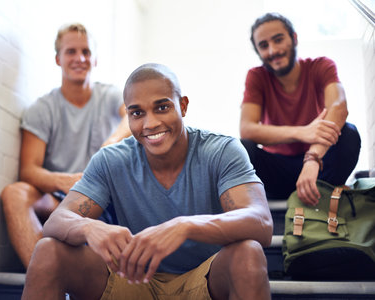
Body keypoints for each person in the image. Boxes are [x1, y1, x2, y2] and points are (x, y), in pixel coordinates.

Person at [21, 63, 273, 300]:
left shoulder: (222, 150)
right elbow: (56, 222)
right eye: (137, 113)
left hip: (204, 279)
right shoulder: (111, 160)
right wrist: (89, 228)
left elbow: (260, 222)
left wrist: (185, 226)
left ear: (183, 106)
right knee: (48, 251)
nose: (150, 123)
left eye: (162, 107)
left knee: (248, 253)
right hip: (132, 280)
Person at [0, 23, 130, 268]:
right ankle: (46, 276)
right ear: (58, 59)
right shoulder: (42, 109)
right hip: (59, 198)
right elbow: (28, 170)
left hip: (100, 199)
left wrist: (112, 141)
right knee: (14, 193)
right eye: (71, 52)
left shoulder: (111, 95)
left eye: (86, 52)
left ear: (95, 59)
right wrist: (65, 181)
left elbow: (134, 116)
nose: (80, 58)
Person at [240, 12, 361, 206]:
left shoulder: (322, 66)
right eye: (264, 46)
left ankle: (322, 190)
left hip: (318, 168)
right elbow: (247, 129)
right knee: (242, 148)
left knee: (349, 134)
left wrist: (312, 158)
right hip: (277, 169)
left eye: (278, 40)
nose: (273, 51)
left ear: (294, 39)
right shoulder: (257, 76)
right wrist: (303, 132)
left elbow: (339, 108)